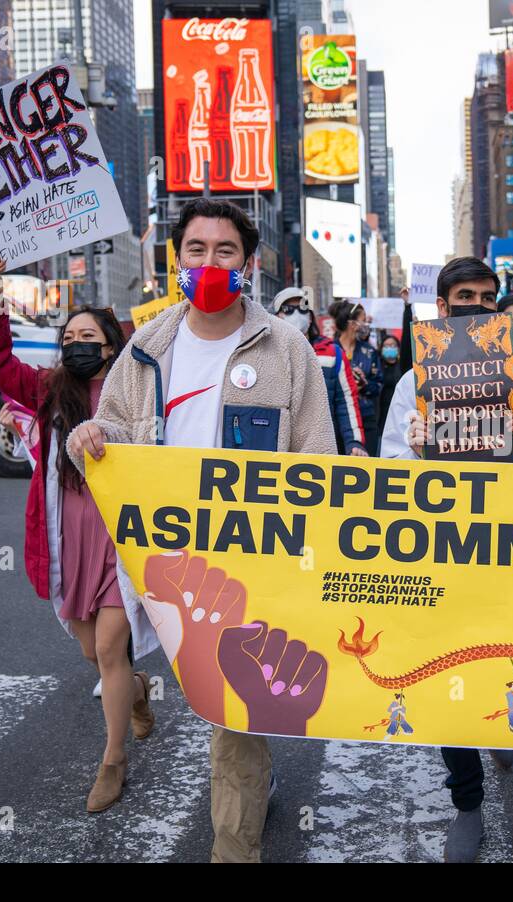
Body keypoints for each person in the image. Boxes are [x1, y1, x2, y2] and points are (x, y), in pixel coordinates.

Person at [66, 198, 339, 862]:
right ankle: (155, 733)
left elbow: (318, 461)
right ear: (178, 258)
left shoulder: (286, 347)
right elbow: (115, 429)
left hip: (253, 567)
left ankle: (233, 847)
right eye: (196, 249)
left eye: (225, 251)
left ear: (248, 263)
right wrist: (91, 435)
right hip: (166, 560)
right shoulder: (147, 346)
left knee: (229, 714)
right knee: (134, 663)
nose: (210, 261)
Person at [379, 255, 513, 863]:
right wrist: (413, 449)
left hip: (512, 552)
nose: (478, 305)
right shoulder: (412, 384)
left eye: (488, 296)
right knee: (444, 671)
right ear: (443, 306)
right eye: (465, 296)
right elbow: (388, 478)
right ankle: (467, 801)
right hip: (441, 555)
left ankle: (502, 721)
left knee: (508, 654)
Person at [0, 256, 157, 812]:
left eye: (89, 336)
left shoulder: (136, 386)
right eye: (69, 336)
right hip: (68, 535)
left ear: (111, 345)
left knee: (107, 646)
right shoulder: (47, 389)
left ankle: (113, 759)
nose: (78, 343)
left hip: (123, 537)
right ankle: (138, 691)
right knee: (91, 650)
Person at [272, 287, 366, 456]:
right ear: (277, 315)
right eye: (288, 309)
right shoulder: (265, 352)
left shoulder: (332, 352)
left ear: (310, 317)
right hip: (278, 447)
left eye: (302, 309)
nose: (296, 314)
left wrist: (355, 442)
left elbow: (347, 400)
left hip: (322, 445)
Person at [333, 300, 383, 453]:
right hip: (336, 420)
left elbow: (379, 384)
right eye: (363, 320)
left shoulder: (369, 352)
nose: (366, 325)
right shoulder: (330, 350)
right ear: (352, 324)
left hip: (366, 419)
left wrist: (364, 385)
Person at [377, 333, 404, 430]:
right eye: (386, 345)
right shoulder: (376, 366)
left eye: (392, 345)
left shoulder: (402, 366)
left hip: (399, 412)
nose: (389, 348)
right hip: (381, 413)